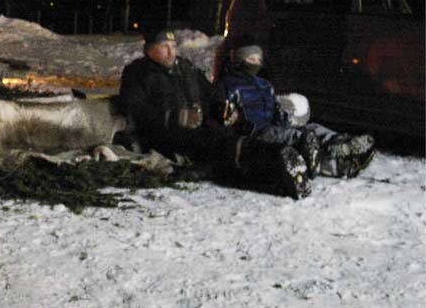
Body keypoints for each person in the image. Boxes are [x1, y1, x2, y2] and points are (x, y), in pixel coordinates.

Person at [119, 28, 314, 199]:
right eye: (164, 46)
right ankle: (278, 161)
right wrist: (177, 116)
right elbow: (135, 111)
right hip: (167, 135)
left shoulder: (185, 68)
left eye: (173, 46)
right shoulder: (138, 72)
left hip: (200, 129)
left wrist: (224, 109)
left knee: (228, 138)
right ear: (149, 49)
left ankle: (284, 164)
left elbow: (211, 94)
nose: (171, 52)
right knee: (219, 146)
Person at [216, 44, 375, 179]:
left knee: (313, 128)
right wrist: (237, 120)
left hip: (276, 126)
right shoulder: (229, 84)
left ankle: (342, 145)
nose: (256, 63)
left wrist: (283, 116)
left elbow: (274, 107)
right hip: (257, 131)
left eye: (258, 59)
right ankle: (323, 158)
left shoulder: (264, 85)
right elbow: (225, 113)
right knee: (299, 138)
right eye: (251, 59)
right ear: (239, 60)